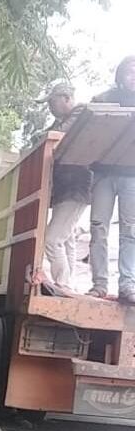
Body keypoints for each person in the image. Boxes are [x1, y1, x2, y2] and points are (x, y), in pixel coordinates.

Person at [35, 82, 91, 292]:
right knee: (66, 239)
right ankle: (67, 283)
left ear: (66, 98)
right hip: (64, 190)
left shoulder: (80, 115)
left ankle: (62, 285)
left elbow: (57, 138)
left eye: (52, 102)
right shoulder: (65, 120)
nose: (50, 107)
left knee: (52, 239)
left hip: (74, 188)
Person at [89, 56, 135, 303]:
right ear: (120, 75)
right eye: (130, 71)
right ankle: (99, 284)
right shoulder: (105, 99)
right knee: (98, 227)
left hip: (132, 176)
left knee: (131, 231)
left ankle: (128, 285)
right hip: (105, 173)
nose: (134, 76)